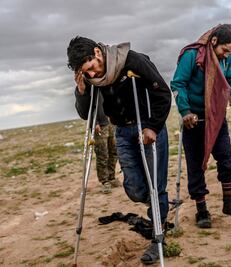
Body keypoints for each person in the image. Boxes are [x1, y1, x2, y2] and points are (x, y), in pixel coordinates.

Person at [67, 36, 171, 264]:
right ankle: (157, 205)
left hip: (148, 128)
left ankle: (158, 236)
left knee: (156, 186)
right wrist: (82, 90)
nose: (92, 74)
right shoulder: (91, 80)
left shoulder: (132, 61)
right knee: (135, 189)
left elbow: (163, 93)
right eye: (86, 72)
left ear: (97, 52)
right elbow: (86, 114)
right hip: (123, 132)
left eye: (91, 68)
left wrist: (153, 127)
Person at [170, 24, 231, 229]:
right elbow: (178, 84)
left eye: (230, 52)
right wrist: (185, 111)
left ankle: (228, 203)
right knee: (196, 166)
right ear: (214, 41)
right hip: (193, 120)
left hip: (217, 117)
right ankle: (202, 211)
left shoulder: (227, 58)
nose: (226, 55)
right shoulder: (191, 55)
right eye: (224, 50)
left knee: (226, 159)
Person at [93, 92, 119, 194]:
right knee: (102, 154)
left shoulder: (109, 81)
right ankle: (104, 181)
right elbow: (89, 107)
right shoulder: (92, 86)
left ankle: (111, 177)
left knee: (114, 151)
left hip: (112, 123)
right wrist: (94, 123)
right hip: (100, 125)